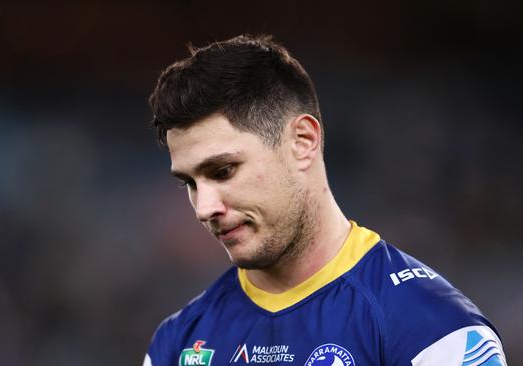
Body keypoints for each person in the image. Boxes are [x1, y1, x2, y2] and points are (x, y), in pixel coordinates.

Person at [143, 34, 506, 366]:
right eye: (189, 182)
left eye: (223, 171)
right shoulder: (177, 343)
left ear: (302, 142)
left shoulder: (432, 332)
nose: (205, 208)